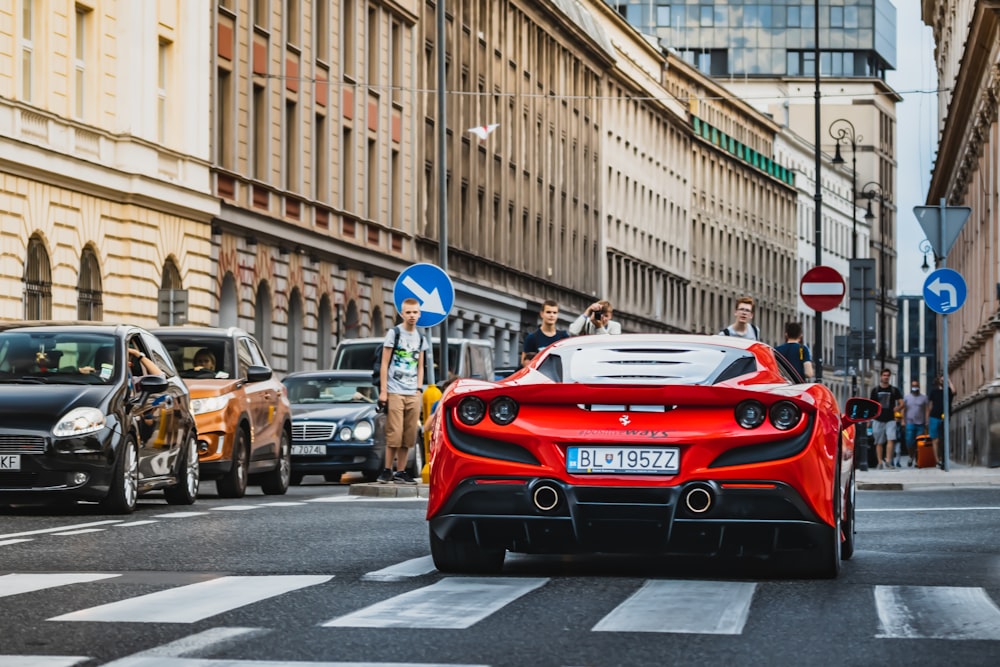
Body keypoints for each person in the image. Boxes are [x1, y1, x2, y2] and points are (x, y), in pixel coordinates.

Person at [377, 297, 430, 485]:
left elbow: (421, 366)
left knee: (409, 434)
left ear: (420, 314)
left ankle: (401, 471)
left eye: (415, 312)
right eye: (408, 312)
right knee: (394, 433)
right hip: (395, 390)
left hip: (412, 391)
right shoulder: (394, 333)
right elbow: (384, 363)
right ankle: (387, 470)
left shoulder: (421, 338)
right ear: (401, 314)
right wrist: (384, 391)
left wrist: (418, 389)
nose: (412, 316)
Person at [869, 369, 903, 470]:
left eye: (888, 375)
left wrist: (898, 408)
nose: (886, 377)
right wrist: (870, 419)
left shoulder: (894, 390)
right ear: (881, 376)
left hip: (890, 419)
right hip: (878, 419)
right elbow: (871, 405)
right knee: (878, 442)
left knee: (891, 439)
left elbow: (902, 402)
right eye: (884, 375)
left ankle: (888, 460)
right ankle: (880, 462)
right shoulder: (875, 390)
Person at [521, 300, 570, 366]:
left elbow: (568, 359)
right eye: (548, 312)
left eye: (554, 313)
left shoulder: (564, 337)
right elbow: (524, 363)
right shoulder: (532, 338)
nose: (551, 315)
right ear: (542, 314)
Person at [927, 374, 955, 469]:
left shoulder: (948, 391)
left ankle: (943, 458)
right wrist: (927, 419)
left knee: (943, 438)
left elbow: (954, 391)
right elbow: (930, 405)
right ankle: (937, 460)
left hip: (945, 417)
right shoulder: (934, 392)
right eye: (942, 378)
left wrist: (949, 381)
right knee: (935, 439)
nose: (943, 380)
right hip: (934, 416)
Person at [901, 378, 930, 467]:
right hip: (910, 423)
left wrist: (927, 421)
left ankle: (918, 460)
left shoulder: (924, 398)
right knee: (909, 441)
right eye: (913, 386)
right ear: (911, 387)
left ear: (919, 387)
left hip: (920, 423)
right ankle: (910, 456)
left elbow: (926, 410)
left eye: (916, 386)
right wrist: (903, 420)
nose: (915, 387)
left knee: (919, 443)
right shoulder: (907, 398)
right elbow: (903, 409)